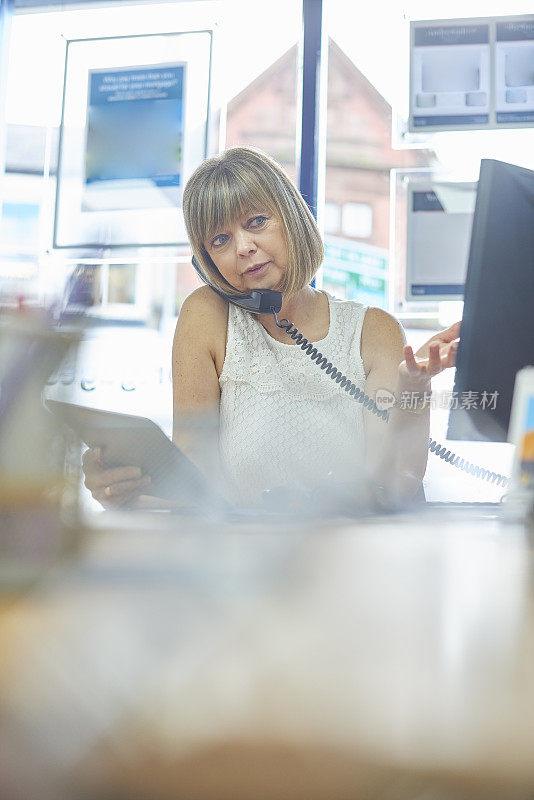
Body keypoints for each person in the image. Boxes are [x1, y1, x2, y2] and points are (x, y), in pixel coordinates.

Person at [83, 146, 459, 511]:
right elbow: (192, 480)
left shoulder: (375, 331)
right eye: (220, 239)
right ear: (208, 263)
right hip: (243, 559)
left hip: (349, 555)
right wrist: (125, 490)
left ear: (292, 218)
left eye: (256, 222)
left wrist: (415, 388)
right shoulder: (206, 316)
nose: (244, 247)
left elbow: (396, 486)